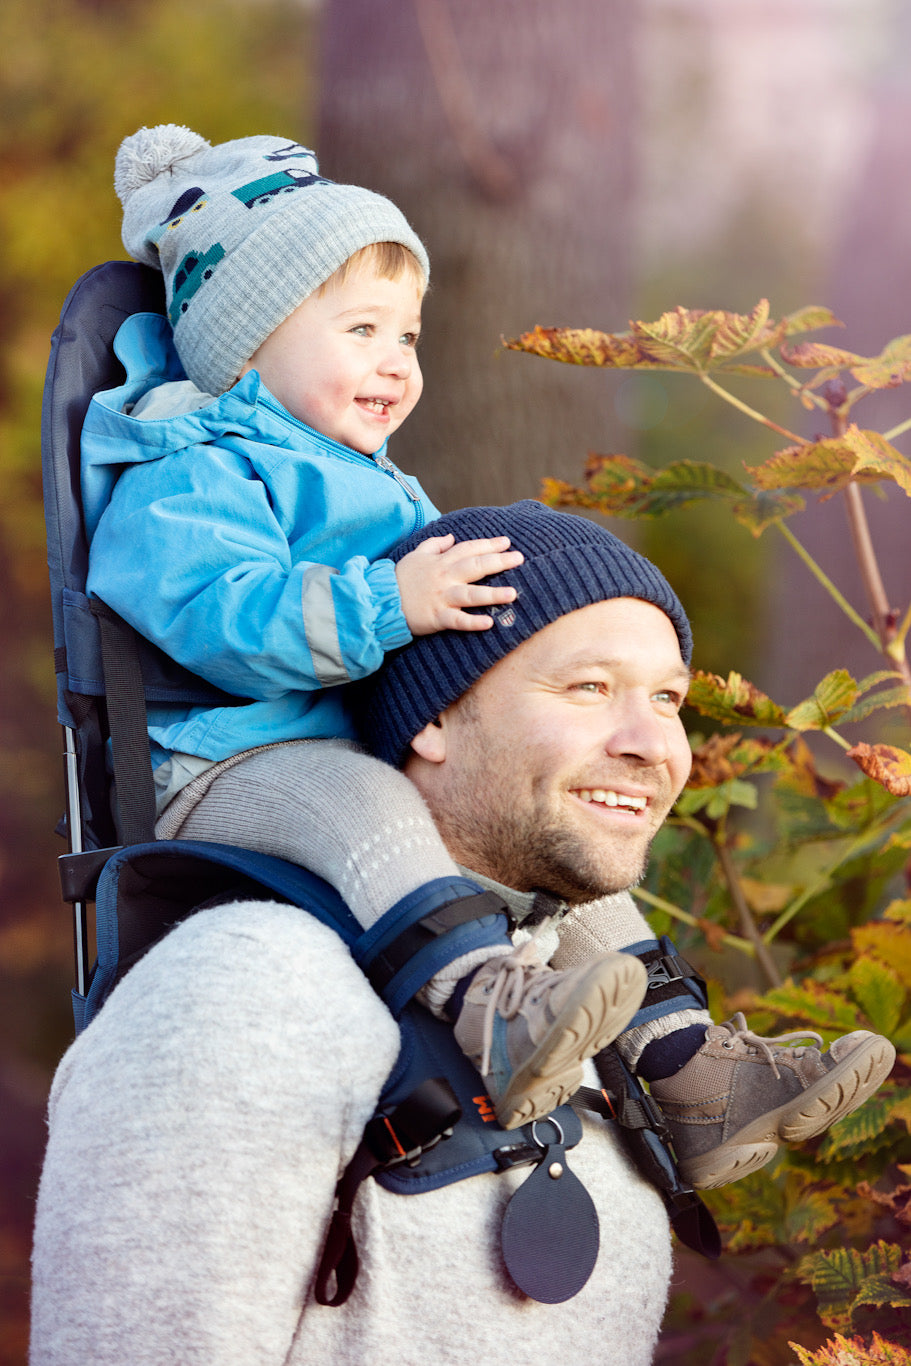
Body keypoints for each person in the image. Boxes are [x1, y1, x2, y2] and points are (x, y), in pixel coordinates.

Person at [31, 502, 895, 1366]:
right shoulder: (253, 986)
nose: (652, 745)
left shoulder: (589, 1012)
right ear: (433, 717)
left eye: (666, 699)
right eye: (589, 687)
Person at [80, 123, 646, 1132]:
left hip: (355, 744)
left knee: (543, 807)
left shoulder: (377, 483)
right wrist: (391, 604)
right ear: (245, 344)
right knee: (369, 801)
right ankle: (488, 1005)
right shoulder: (189, 471)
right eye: (360, 332)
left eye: (407, 336)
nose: (393, 362)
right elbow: (225, 621)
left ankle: (680, 1053)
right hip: (229, 764)